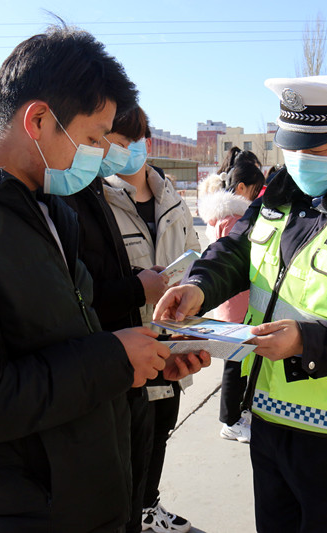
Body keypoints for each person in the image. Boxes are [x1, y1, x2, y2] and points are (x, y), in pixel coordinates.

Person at [0, 26, 208, 532]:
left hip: (81, 495)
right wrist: (114, 359)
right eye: (93, 139)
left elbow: (65, 338)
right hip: (18, 510)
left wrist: (146, 363)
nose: (99, 156)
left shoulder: (47, 207)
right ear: (39, 119)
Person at [155, 75, 327, 532]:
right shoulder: (283, 193)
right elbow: (240, 249)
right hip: (266, 414)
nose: (300, 160)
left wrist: (309, 341)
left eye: (316, 147)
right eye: (292, 147)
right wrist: (200, 286)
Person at [102, 107, 201, 533]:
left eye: (135, 140)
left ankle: (148, 506)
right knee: (130, 442)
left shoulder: (170, 195)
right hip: (130, 343)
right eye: (117, 142)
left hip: (173, 340)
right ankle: (131, 514)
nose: (129, 150)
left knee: (161, 431)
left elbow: (197, 251)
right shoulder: (97, 198)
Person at [197, 161, 266, 443]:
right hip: (238, 303)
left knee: (236, 362)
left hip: (229, 303)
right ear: (241, 188)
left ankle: (237, 415)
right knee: (235, 365)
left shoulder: (218, 216)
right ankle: (231, 420)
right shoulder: (236, 219)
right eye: (255, 189)